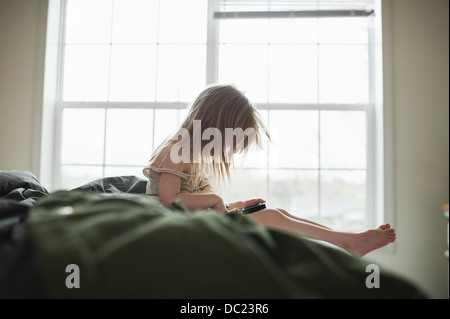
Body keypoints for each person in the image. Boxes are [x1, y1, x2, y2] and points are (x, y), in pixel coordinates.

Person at [143, 84, 396, 257]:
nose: (226, 151)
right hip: (175, 225)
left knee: (278, 212)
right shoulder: (177, 149)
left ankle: (346, 238)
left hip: (195, 220)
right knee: (273, 217)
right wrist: (216, 199)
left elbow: (193, 202)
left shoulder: (192, 154)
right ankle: (349, 242)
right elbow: (170, 200)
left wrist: (237, 204)